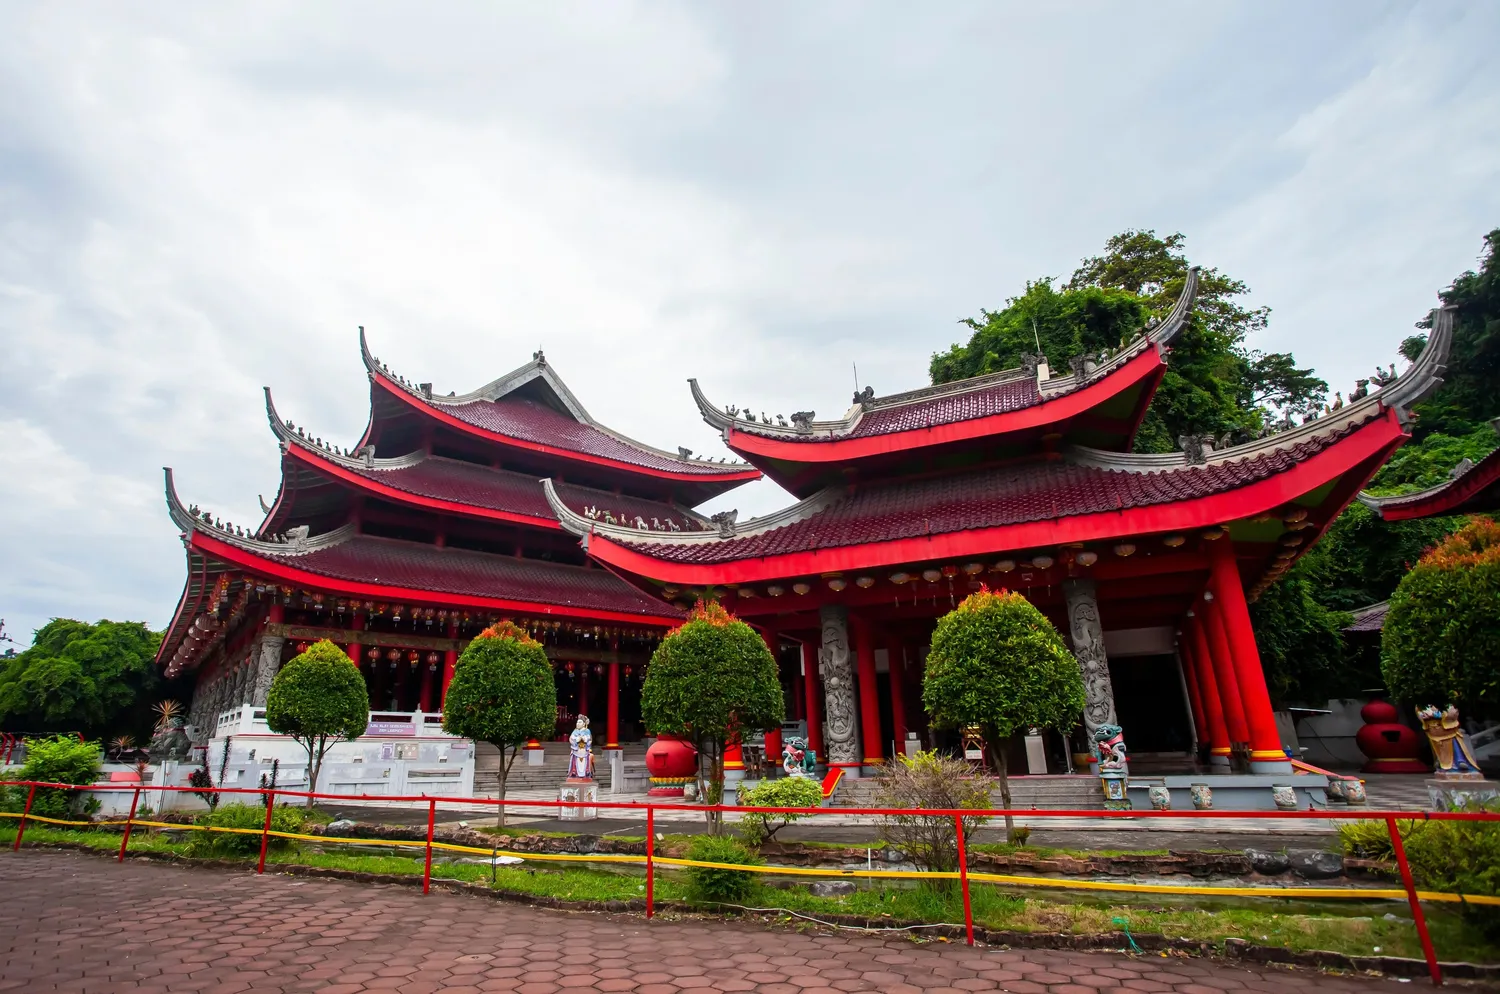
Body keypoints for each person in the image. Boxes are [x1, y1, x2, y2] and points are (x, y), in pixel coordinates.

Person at [567, 714, 594, 780]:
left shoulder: (587, 731)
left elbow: (590, 739)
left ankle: (586, 772)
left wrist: (585, 739)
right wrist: (577, 739)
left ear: (584, 724)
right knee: (575, 761)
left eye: (579, 722)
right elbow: (571, 739)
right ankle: (574, 772)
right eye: (577, 722)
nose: (577, 723)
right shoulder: (575, 731)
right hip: (576, 750)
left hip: (584, 750)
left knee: (585, 762)